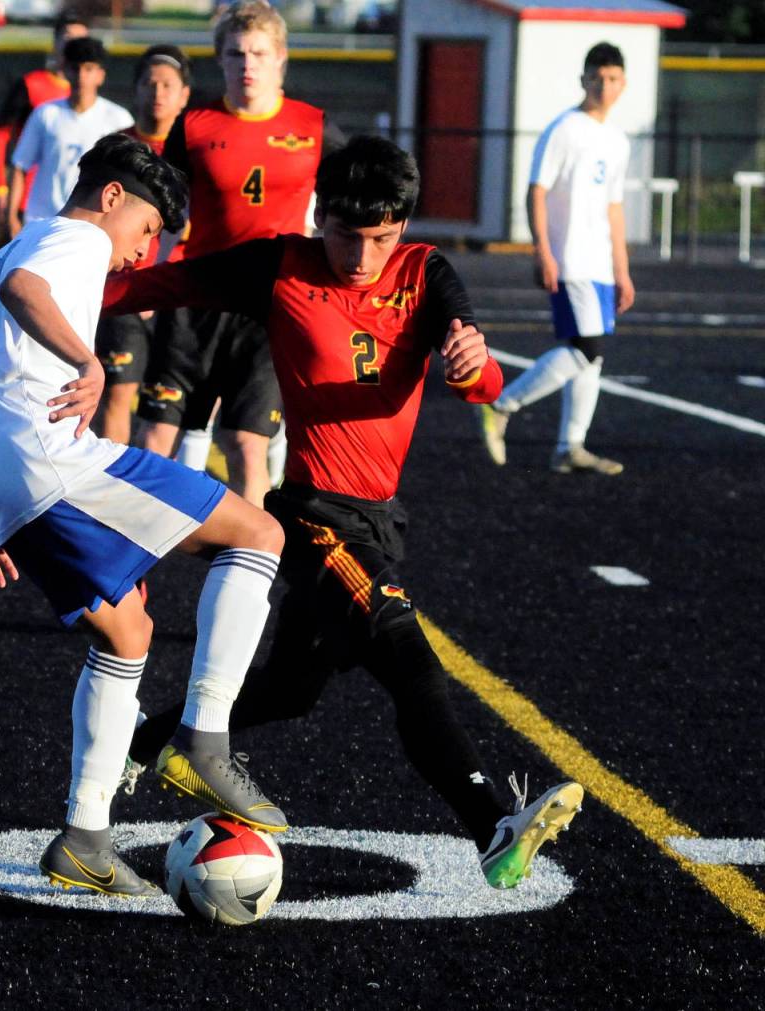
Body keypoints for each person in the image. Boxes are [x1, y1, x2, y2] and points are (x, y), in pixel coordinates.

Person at [88, 135, 584, 890]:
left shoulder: (426, 273)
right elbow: (156, 288)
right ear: (320, 214)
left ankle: (141, 740)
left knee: (288, 692)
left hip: (381, 518)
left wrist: (473, 364)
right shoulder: (279, 265)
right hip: (317, 518)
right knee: (411, 661)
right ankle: (493, 828)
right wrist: (50, 277)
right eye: (348, 233)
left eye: (382, 237)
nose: (362, 254)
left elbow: (479, 379)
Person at [0, 134, 287, 900]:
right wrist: (87, 362)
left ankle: (84, 838)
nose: (143, 254)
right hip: (49, 459)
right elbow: (28, 288)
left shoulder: (4, 253)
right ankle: (205, 738)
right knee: (260, 532)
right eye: (148, 230)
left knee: (128, 631)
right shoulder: (73, 238)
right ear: (112, 197)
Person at [134, 0, 344, 507]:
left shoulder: (314, 128)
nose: (247, 63)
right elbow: (163, 209)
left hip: (268, 311)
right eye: (236, 53)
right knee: (152, 443)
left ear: (280, 59)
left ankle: (247, 574)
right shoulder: (194, 126)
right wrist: (146, 276)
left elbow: (354, 202)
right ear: (220, 59)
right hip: (194, 305)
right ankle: (128, 572)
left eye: (258, 52)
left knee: (246, 447)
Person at [479, 41, 634, 475]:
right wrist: (542, 249)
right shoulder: (564, 129)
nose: (605, 86)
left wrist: (622, 270)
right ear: (583, 80)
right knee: (587, 349)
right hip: (571, 258)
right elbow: (537, 190)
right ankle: (503, 405)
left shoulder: (617, 140)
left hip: (601, 264)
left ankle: (570, 447)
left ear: (624, 84)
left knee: (591, 357)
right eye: (597, 78)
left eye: (613, 79)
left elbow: (614, 207)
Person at [93, 45, 192, 445]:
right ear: (134, 90)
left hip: (181, 294)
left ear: (184, 93)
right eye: (149, 83)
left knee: (171, 406)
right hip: (124, 287)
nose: (158, 92)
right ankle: (112, 497)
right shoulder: (116, 148)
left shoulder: (199, 148)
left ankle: (158, 500)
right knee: (115, 394)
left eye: (168, 84)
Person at [7, 37, 133, 238]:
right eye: (76, 68)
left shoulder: (118, 120)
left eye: (89, 69)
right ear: (65, 70)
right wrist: (11, 216)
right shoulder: (45, 114)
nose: (82, 76)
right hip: (43, 222)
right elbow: (20, 166)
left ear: (101, 75)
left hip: (93, 227)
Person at [0, 10, 89, 248]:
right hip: (27, 204)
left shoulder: (96, 104)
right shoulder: (32, 86)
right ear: (56, 42)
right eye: (68, 37)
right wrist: (0, 188)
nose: (74, 45)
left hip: (75, 207)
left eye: (80, 39)